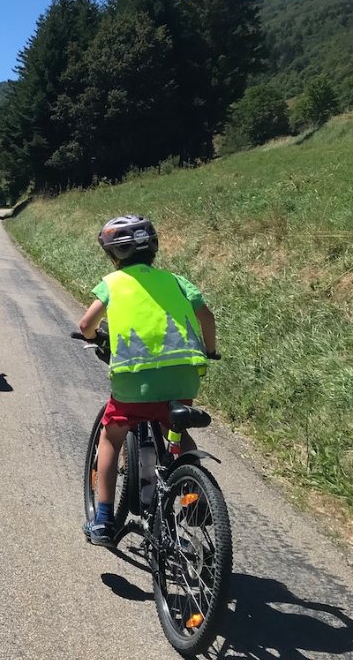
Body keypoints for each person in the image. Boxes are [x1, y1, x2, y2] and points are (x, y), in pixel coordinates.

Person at [78, 214, 218, 547]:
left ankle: (102, 520)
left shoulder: (112, 283)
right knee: (176, 430)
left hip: (134, 379)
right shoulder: (177, 280)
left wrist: (97, 337)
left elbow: (86, 324)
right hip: (183, 375)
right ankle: (193, 495)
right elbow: (206, 317)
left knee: (111, 438)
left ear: (113, 256)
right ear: (153, 248)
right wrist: (210, 351)